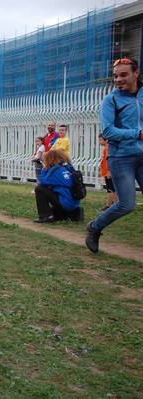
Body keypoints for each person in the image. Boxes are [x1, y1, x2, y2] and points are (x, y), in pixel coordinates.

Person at [86, 58, 143, 253]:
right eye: (116, 76)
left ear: (136, 73)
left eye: (123, 75)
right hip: (121, 158)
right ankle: (94, 227)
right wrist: (137, 134)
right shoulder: (110, 100)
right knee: (126, 205)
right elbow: (108, 132)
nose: (118, 79)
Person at [33, 149, 84, 223]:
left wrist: (44, 168)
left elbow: (43, 182)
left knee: (40, 189)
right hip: (74, 201)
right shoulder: (68, 167)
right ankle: (73, 213)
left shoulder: (55, 170)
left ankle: (46, 216)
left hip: (65, 202)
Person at [98, 133, 118, 212]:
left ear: (106, 140)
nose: (99, 142)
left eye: (100, 140)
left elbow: (110, 160)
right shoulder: (106, 148)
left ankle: (108, 206)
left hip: (108, 173)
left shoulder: (107, 148)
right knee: (114, 189)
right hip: (107, 172)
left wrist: (109, 171)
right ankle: (116, 204)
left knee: (111, 190)